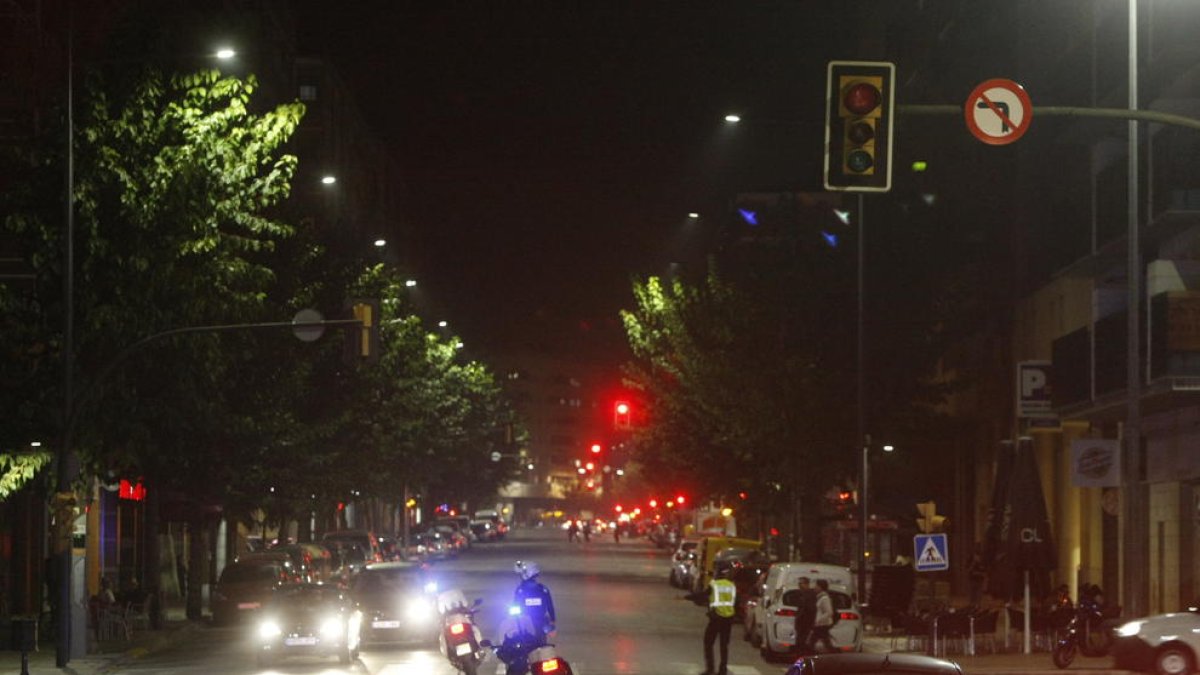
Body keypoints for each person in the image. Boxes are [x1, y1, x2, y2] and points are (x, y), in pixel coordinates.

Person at [688, 566, 737, 675]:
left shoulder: (714, 585)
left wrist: (689, 597)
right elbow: (735, 603)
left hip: (716, 618)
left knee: (708, 643)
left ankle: (710, 668)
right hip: (728, 619)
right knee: (724, 645)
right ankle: (722, 670)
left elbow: (703, 595)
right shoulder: (732, 586)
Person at [513, 560, 556, 641]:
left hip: (529, 621)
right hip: (533, 621)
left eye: (521, 574)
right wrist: (552, 620)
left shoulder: (521, 590)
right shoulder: (543, 589)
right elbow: (550, 606)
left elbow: (515, 603)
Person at [809, 579, 837, 653]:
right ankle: (833, 655)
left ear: (821, 587)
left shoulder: (824, 598)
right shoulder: (820, 597)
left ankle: (808, 656)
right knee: (826, 642)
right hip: (821, 625)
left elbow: (829, 612)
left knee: (812, 642)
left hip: (822, 625)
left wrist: (818, 620)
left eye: (816, 586)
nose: (814, 587)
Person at [792, 576, 817, 655]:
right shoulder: (801, 594)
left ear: (807, 584)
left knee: (802, 640)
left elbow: (809, 608)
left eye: (801, 583)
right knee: (801, 639)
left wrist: (801, 617)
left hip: (806, 621)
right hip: (802, 622)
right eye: (799, 583)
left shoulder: (809, 595)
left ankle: (802, 655)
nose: (799, 585)